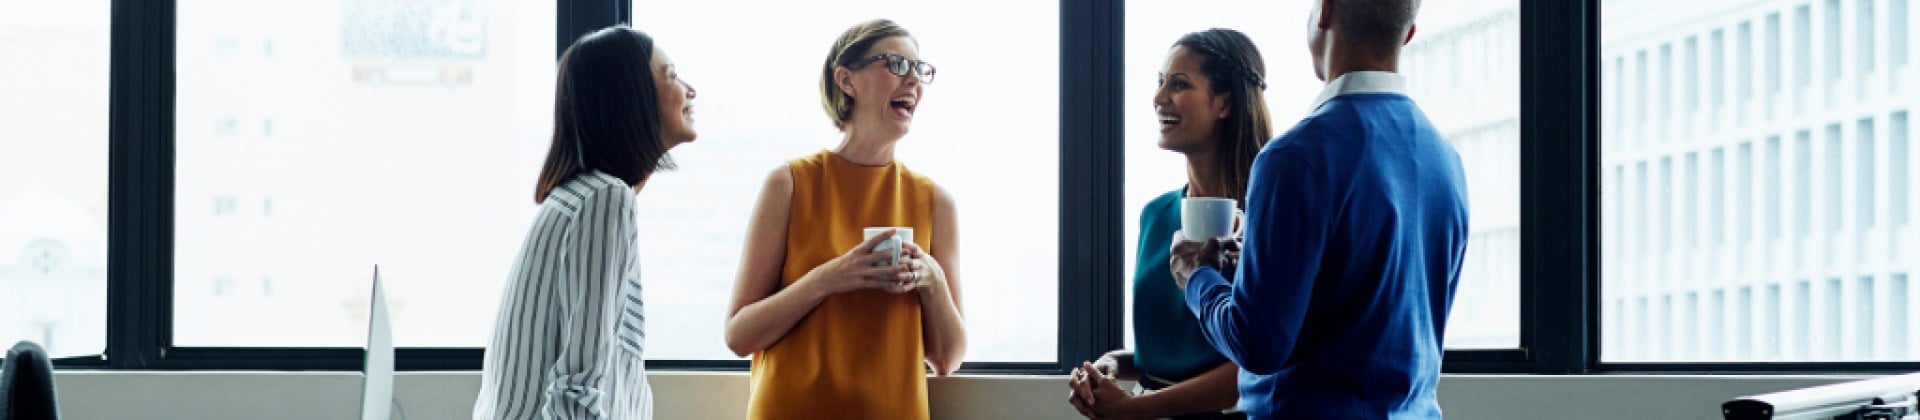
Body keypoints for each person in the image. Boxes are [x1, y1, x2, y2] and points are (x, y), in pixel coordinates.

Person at [1169, 0, 1469, 418]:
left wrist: (1196, 279)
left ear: (1324, 12)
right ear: (1408, 33)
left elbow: (1257, 346)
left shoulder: (1293, 158)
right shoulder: (1447, 160)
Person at [722, 18, 967, 420]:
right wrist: (829, 278)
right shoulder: (790, 183)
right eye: (896, 64)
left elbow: (947, 359)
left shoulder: (934, 201)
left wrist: (933, 279)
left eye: (919, 69)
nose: (913, 81)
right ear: (846, 80)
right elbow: (739, 336)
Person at [472, 26, 698, 420]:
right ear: (631, 98)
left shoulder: (575, 198)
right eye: (671, 74)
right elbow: (576, 389)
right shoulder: (605, 199)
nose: (689, 89)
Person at [1065, 28, 1273, 420]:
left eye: (1179, 84)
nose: (1159, 98)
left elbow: (1255, 363)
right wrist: (1114, 362)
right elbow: (1170, 354)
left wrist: (1135, 409)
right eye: (1161, 83)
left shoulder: (1268, 214)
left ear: (1225, 103)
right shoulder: (1156, 214)